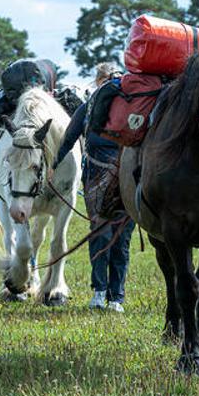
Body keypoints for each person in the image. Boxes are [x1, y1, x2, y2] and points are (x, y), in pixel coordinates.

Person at [54, 62, 135, 313]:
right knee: (122, 237)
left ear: (98, 80)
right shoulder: (134, 102)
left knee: (100, 233)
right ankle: (117, 298)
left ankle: (99, 293)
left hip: (97, 175)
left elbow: (70, 137)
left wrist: (52, 165)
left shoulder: (89, 105)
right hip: (128, 176)